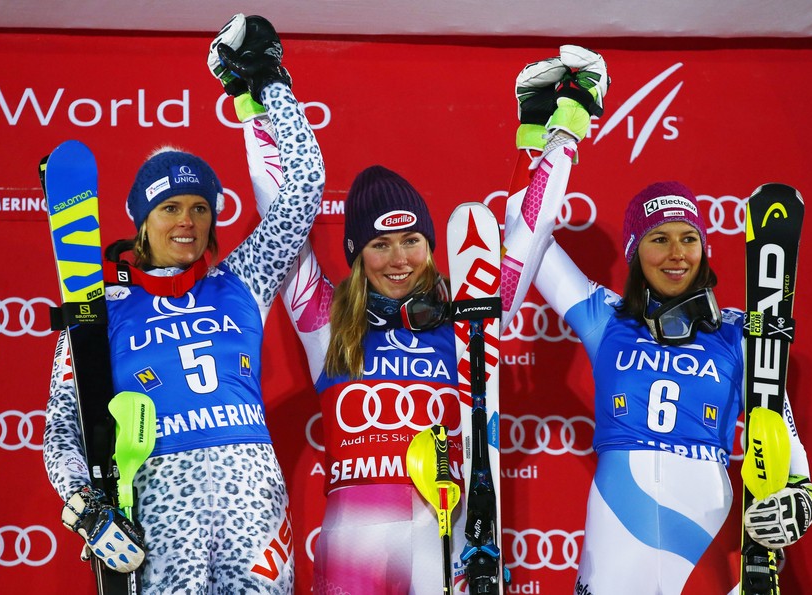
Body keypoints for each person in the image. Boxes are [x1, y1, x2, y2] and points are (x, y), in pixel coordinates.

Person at [209, 17, 609, 594]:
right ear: (356, 254)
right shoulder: (325, 320)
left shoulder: (470, 316)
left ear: (430, 243)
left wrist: (566, 125)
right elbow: (281, 211)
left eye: (412, 241)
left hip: (443, 540)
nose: (399, 259)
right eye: (379, 244)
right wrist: (252, 104)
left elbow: (531, 231)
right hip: (353, 547)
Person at [503, 56, 812, 594]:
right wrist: (543, 133)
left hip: (702, 527)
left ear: (704, 247)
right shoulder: (604, 314)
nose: (676, 253)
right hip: (616, 525)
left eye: (689, 237)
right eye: (658, 238)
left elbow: (787, 451)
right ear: (634, 252)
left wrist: (800, 496)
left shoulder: (742, 334)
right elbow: (523, 233)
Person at [43, 19, 325, 594]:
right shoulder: (101, 305)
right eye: (171, 207)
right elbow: (61, 428)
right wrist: (86, 510)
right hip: (161, 502)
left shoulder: (240, 279)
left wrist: (268, 84)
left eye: (201, 207)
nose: (188, 221)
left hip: (253, 501)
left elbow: (305, 186)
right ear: (142, 220)